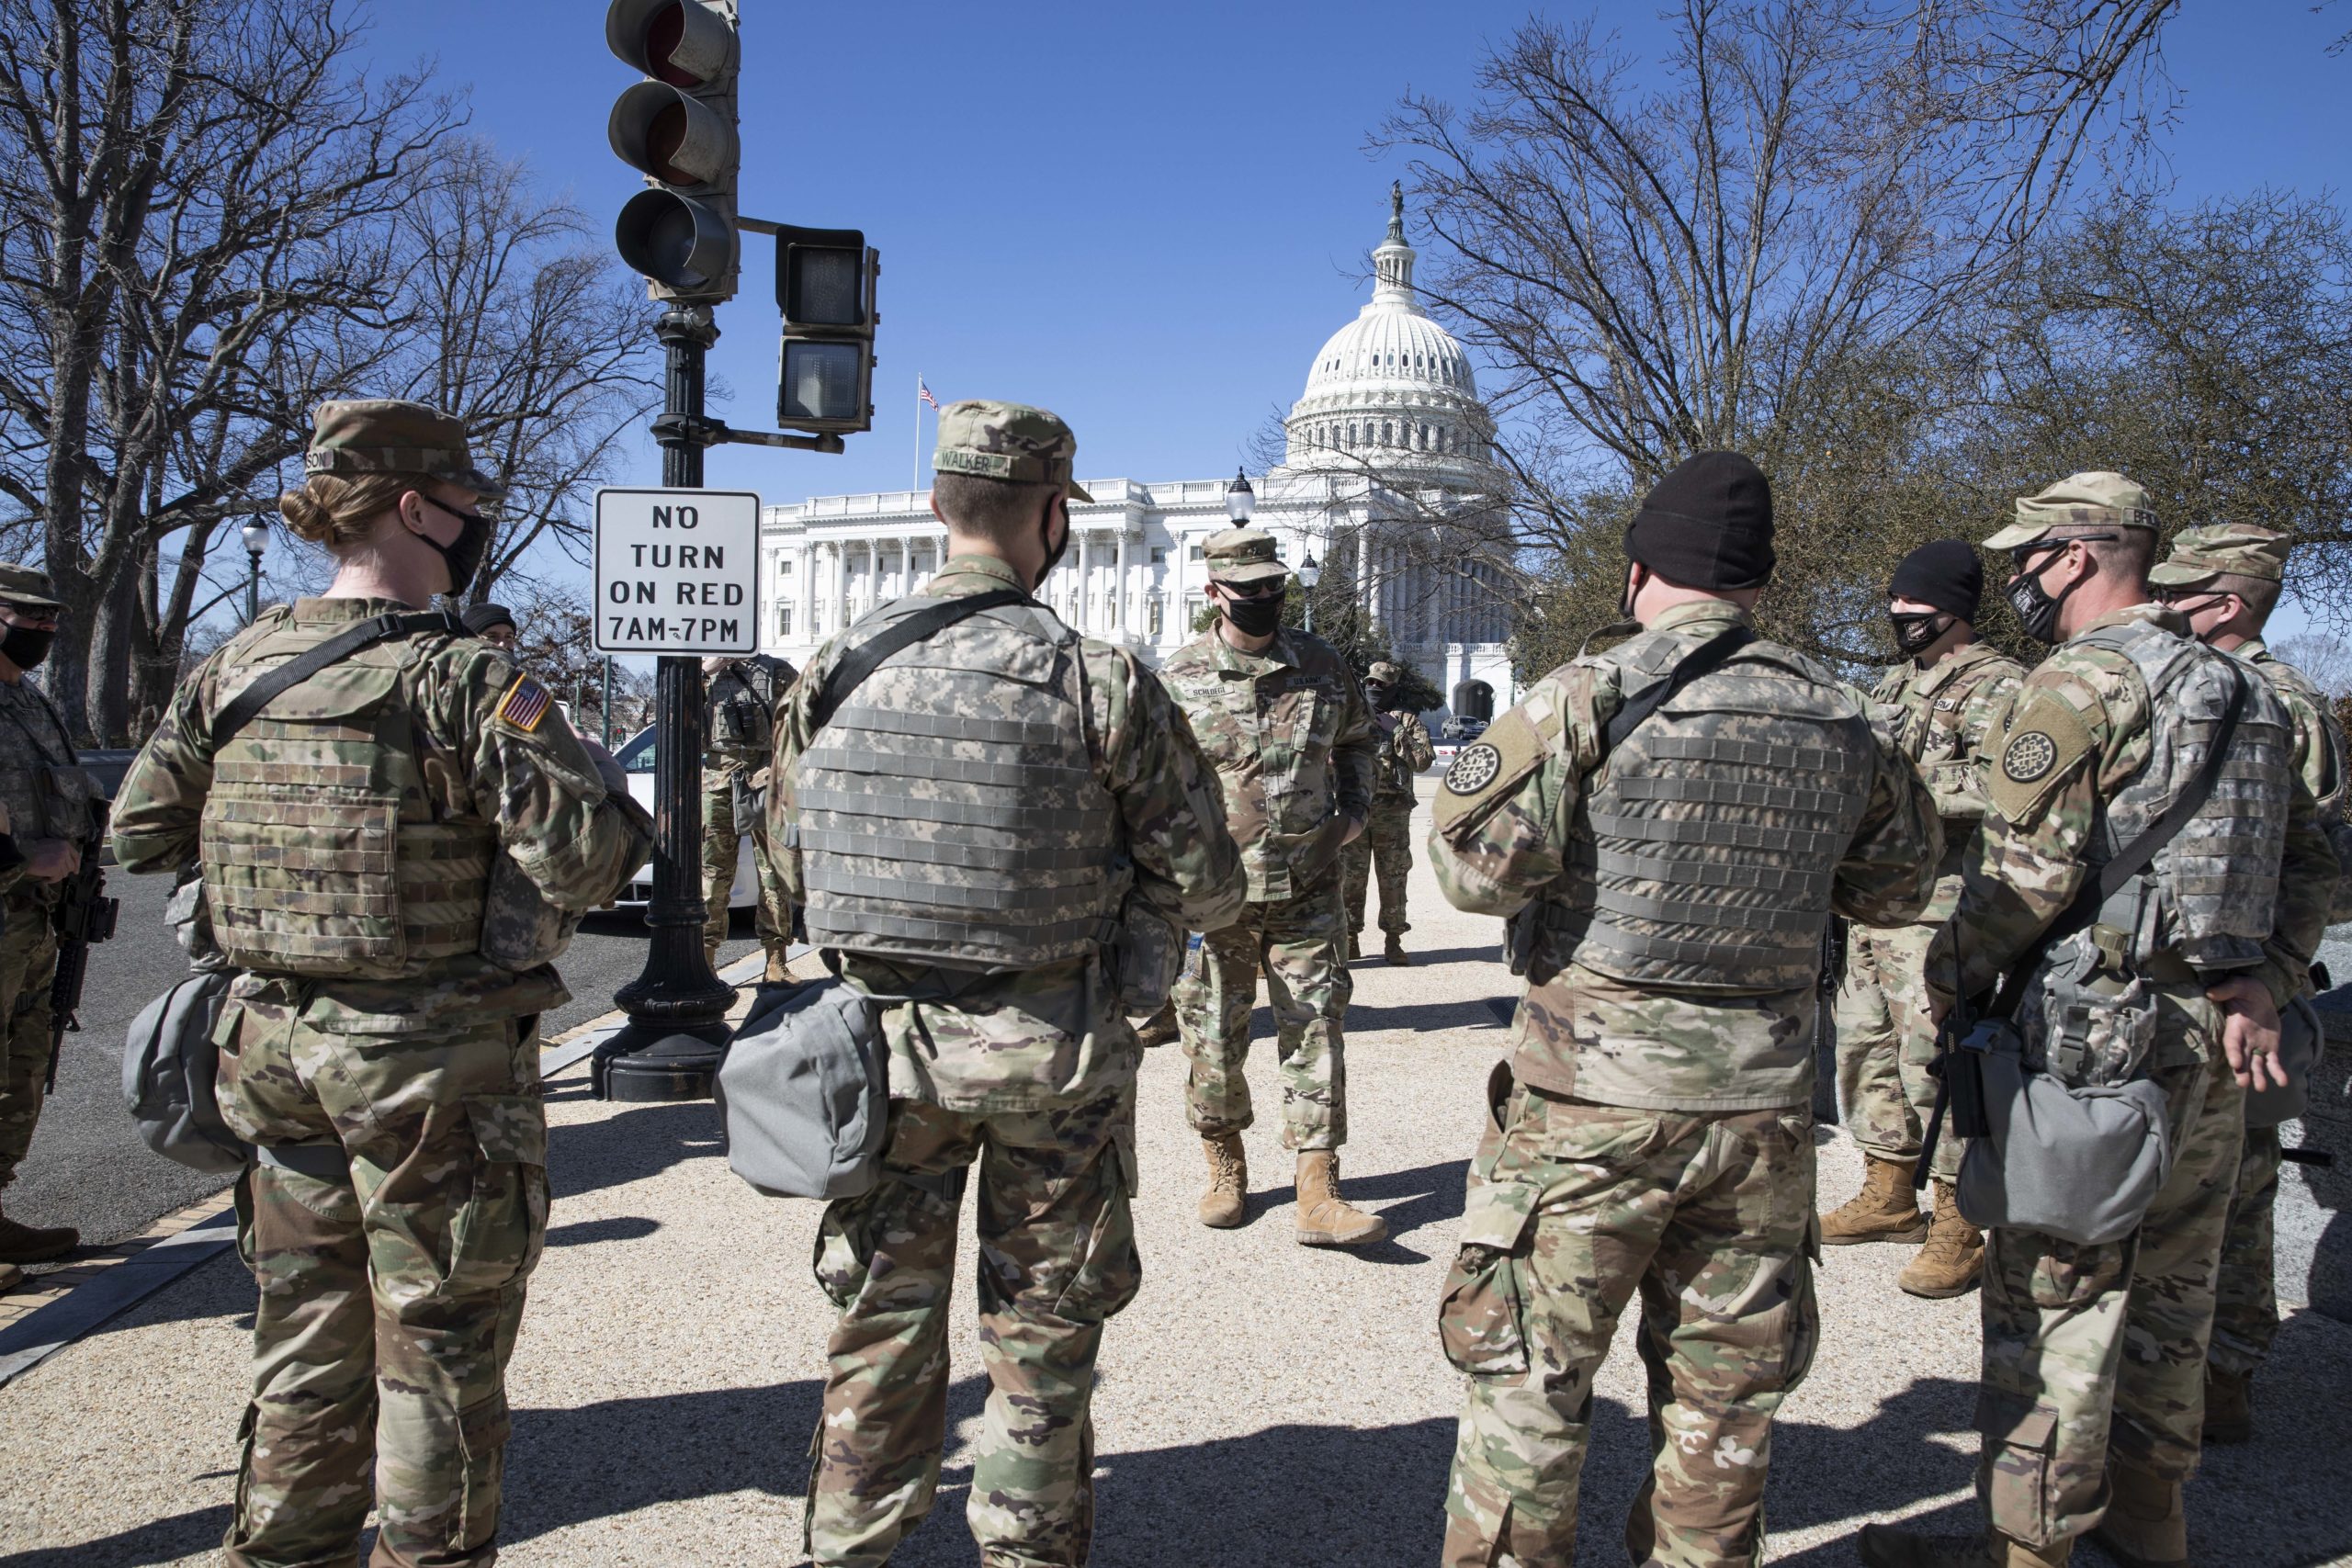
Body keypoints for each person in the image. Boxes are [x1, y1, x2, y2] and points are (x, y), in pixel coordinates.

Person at [110, 399, 653, 1568]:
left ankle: (285, 1550)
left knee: (301, 1330)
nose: (474, 527)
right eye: (465, 507)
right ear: (416, 508)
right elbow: (590, 860)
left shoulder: (233, 666)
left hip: (269, 1046)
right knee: (440, 1347)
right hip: (431, 1066)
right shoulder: (465, 679)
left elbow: (141, 832)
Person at [1427, 451, 1942, 1568]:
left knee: (1530, 1392)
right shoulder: (1843, 715)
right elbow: (1901, 889)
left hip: (1589, 1114)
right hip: (1762, 1115)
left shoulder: (1587, 696)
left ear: (1638, 570)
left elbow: (1473, 876)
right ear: (1757, 578)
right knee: (1724, 1411)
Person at [771, 400, 1243, 1568]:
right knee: (1039, 1351)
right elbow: (1210, 879)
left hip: (882, 1062)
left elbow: (786, 866)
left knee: (876, 1333)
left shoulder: (835, 670)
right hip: (1054, 1056)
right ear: (1050, 518)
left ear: (937, 507)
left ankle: (849, 1549)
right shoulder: (1096, 680)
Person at [1859, 475, 2334, 1568]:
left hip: (2089, 1048)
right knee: (2175, 1298)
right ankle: (2148, 1520)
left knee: (2052, 1303)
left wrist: (1941, 973)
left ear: (2075, 556)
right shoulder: (2252, 689)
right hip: (2216, 1043)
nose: (2019, 578)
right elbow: (2312, 861)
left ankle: (2028, 1550)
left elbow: (2022, 880)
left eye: (2029, 557)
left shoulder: (2080, 682)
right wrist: (2263, 982)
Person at [2145, 522, 2352, 1447]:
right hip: (2188, 990)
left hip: (2247, 997)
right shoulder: (2188, 689)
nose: (2160, 605)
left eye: (2180, 591)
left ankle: (2223, 1375)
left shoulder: (2282, 703)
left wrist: (2262, 984)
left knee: (2237, 1185)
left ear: (2225, 604)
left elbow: (2318, 864)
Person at [1159, 525, 1385, 1247]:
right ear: (1213, 593)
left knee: (1316, 1026)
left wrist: (1351, 821)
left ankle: (1318, 1187)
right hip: (1215, 899)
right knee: (1212, 1041)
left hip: (1310, 886)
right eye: (1246, 590)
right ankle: (1225, 1165)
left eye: (1272, 587)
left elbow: (1358, 743)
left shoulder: (1322, 664)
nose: (1262, 599)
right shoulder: (1179, 677)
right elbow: (1151, 784)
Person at [1818, 540, 2025, 1297]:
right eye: (1895, 604)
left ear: (1953, 607)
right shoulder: (1894, 685)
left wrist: (1900, 785)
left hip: (1942, 904)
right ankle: (1888, 1189)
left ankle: (1958, 1217)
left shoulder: (2003, 685)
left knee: (1934, 1058)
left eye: (1914, 605)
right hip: (1875, 904)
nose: (1899, 615)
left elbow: (2009, 787)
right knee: (1864, 1046)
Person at [0, 560, 96, 1269]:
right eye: (27, 616)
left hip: (36, 928)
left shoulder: (30, 702)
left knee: (22, 1074)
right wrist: (19, 859)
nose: (43, 629)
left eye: (50, 618)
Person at [702, 649, 798, 980]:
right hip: (718, 781)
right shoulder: (704, 673)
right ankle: (705, 961)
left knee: (773, 871)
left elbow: (800, 722)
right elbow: (678, 718)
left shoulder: (777, 670)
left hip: (764, 781)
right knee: (712, 873)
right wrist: (703, 673)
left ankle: (776, 961)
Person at [1342, 659, 1437, 964]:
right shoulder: (1351, 716)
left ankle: (1393, 940)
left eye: (1381, 684)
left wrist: (1397, 732)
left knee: (1393, 879)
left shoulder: (1407, 721)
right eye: (1369, 682)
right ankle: (1349, 937)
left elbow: (1423, 762)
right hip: (1354, 810)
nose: (1373, 688)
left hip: (1392, 814)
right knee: (1350, 879)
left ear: (1393, 688)